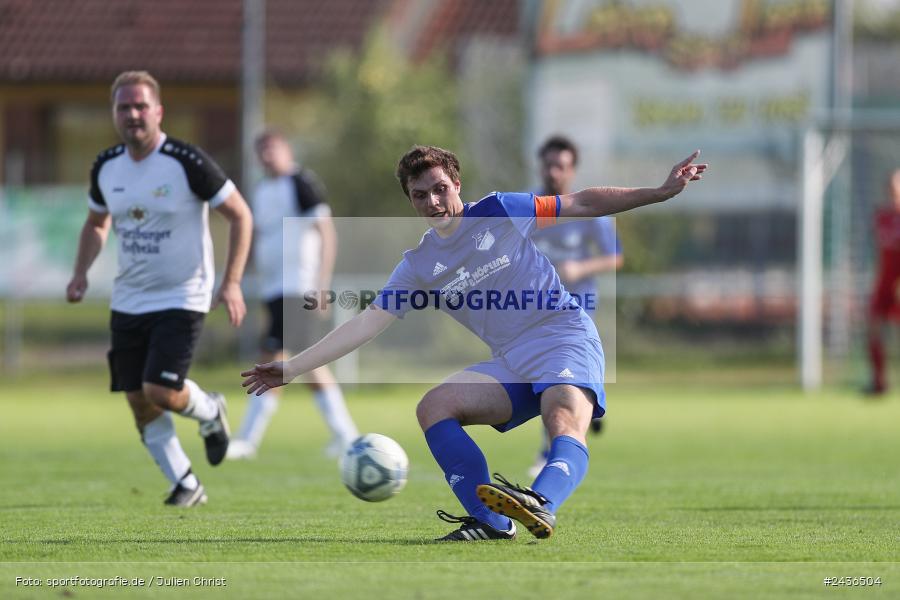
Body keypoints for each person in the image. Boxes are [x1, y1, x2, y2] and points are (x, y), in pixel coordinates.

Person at [241, 145, 706, 540]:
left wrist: (660, 192)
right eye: (420, 195)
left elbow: (581, 202)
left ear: (457, 185)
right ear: (410, 201)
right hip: (512, 361)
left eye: (440, 189)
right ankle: (491, 522)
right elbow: (366, 322)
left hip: (563, 335)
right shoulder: (419, 264)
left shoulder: (501, 211)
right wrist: (293, 367)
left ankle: (541, 501)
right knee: (433, 407)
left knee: (563, 417)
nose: (433, 201)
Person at [66, 71, 253, 507]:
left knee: (160, 390)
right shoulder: (106, 165)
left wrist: (232, 282)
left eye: (140, 106)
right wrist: (80, 273)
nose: (132, 114)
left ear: (158, 111)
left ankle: (210, 410)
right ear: (114, 113)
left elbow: (240, 215)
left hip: (183, 294)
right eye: (123, 107)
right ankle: (186, 482)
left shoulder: (186, 161)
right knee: (138, 399)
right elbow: (97, 223)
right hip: (129, 297)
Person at [226, 131, 358, 460]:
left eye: (272, 148)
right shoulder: (260, 189)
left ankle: (247, 440)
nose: (267, 155)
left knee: (276, 358)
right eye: (262, 150)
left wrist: (321, 283)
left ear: (287, 150)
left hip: (298, 284)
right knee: (305, 361)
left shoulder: (300, 182)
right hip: (274, 287)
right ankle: (346, 436)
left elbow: (326, 231)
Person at [528, 135, 623, 476]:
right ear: (541, 166)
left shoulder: (586, 210)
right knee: (550, 375)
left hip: (578, 306)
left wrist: (580, 268)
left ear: (572, 170)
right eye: (549, 164)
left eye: (561, 166)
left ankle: (547, 452)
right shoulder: (529, 207)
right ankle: (590, 403)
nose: (554, 172)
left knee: (556, 374)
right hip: (535, 307)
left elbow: (616, 257)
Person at [865, 169, 900, 395]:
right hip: (884, 284)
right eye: (891, 185)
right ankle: (879, 382)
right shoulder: (882, 216)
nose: (893, 189)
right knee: (873, 328)